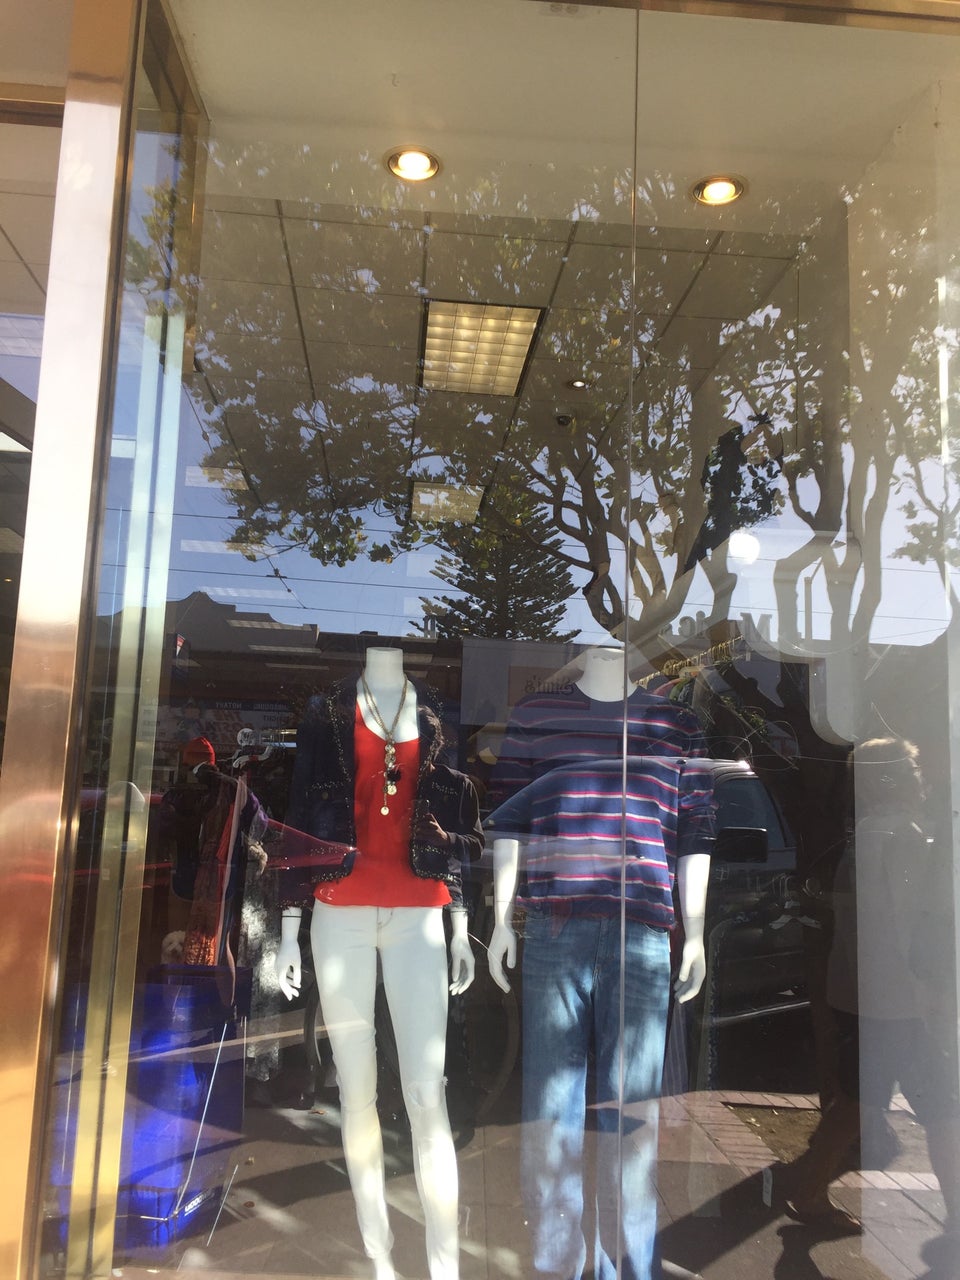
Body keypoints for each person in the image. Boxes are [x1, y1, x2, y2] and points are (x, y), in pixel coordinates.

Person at [485, 645, 714, 1280]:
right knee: (550, 1110)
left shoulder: (677, 726)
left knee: (632, 1116)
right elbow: (508, 825)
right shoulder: (536, 715)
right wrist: (501, 919)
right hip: (555, 926)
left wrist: (693, 933)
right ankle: (559, 1264)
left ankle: (628, 1267)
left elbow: (696, 833)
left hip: (642, 933)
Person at [275, 646, 483, 1280]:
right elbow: (299, 815)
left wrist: (460, 922)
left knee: (428, 1094)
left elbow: (452, 816)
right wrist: (288, 926)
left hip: (420, 914)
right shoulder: (328, 712)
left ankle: (444, 1266)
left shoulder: (437, 711)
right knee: (357, 1091)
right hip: (339, 911)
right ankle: (380, 1256)